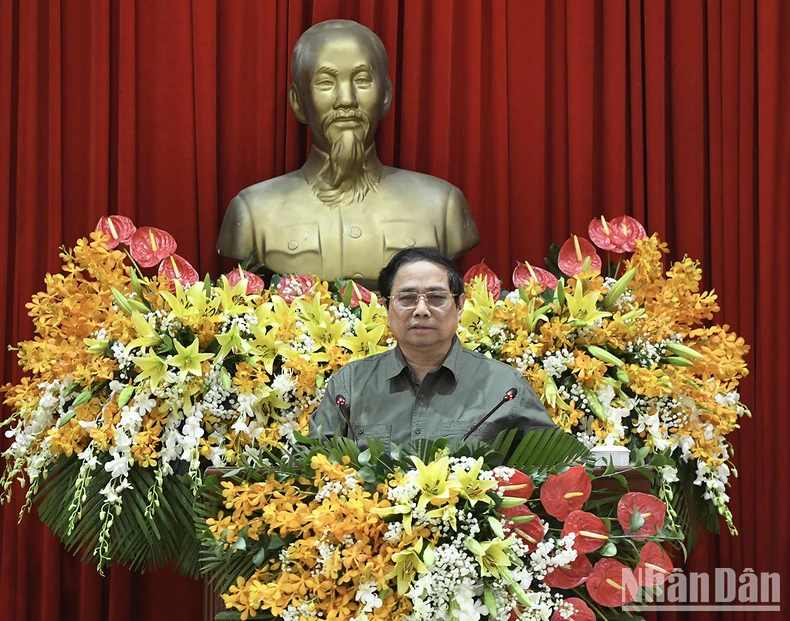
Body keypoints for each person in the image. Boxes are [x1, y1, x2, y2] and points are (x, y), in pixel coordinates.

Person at [216, 20, 479, 285]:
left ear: (385, 95)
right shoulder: (253, 212)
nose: (346, 99)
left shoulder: (441, 206)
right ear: (298, 102)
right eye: (326, 82)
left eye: (362, 80)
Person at [309, 248, 556, 449]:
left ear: (460, 305)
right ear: (386, 307)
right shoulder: (351, 385)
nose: (421, 310)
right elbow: (309, 467)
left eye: (436, 298)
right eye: (407, 298)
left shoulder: (504, 386)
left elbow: (555, 465)